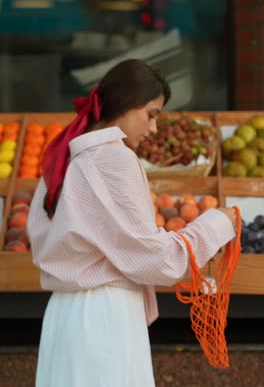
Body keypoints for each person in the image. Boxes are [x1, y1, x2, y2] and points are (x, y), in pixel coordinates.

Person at [28, 59, 236, 387]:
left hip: (63, 316)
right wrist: (219, 223)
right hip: (103, 316)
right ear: (127, 104)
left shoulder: (63, 159)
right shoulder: (114, 158)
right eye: (151, 114)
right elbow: (154, 257)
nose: (153, 128)